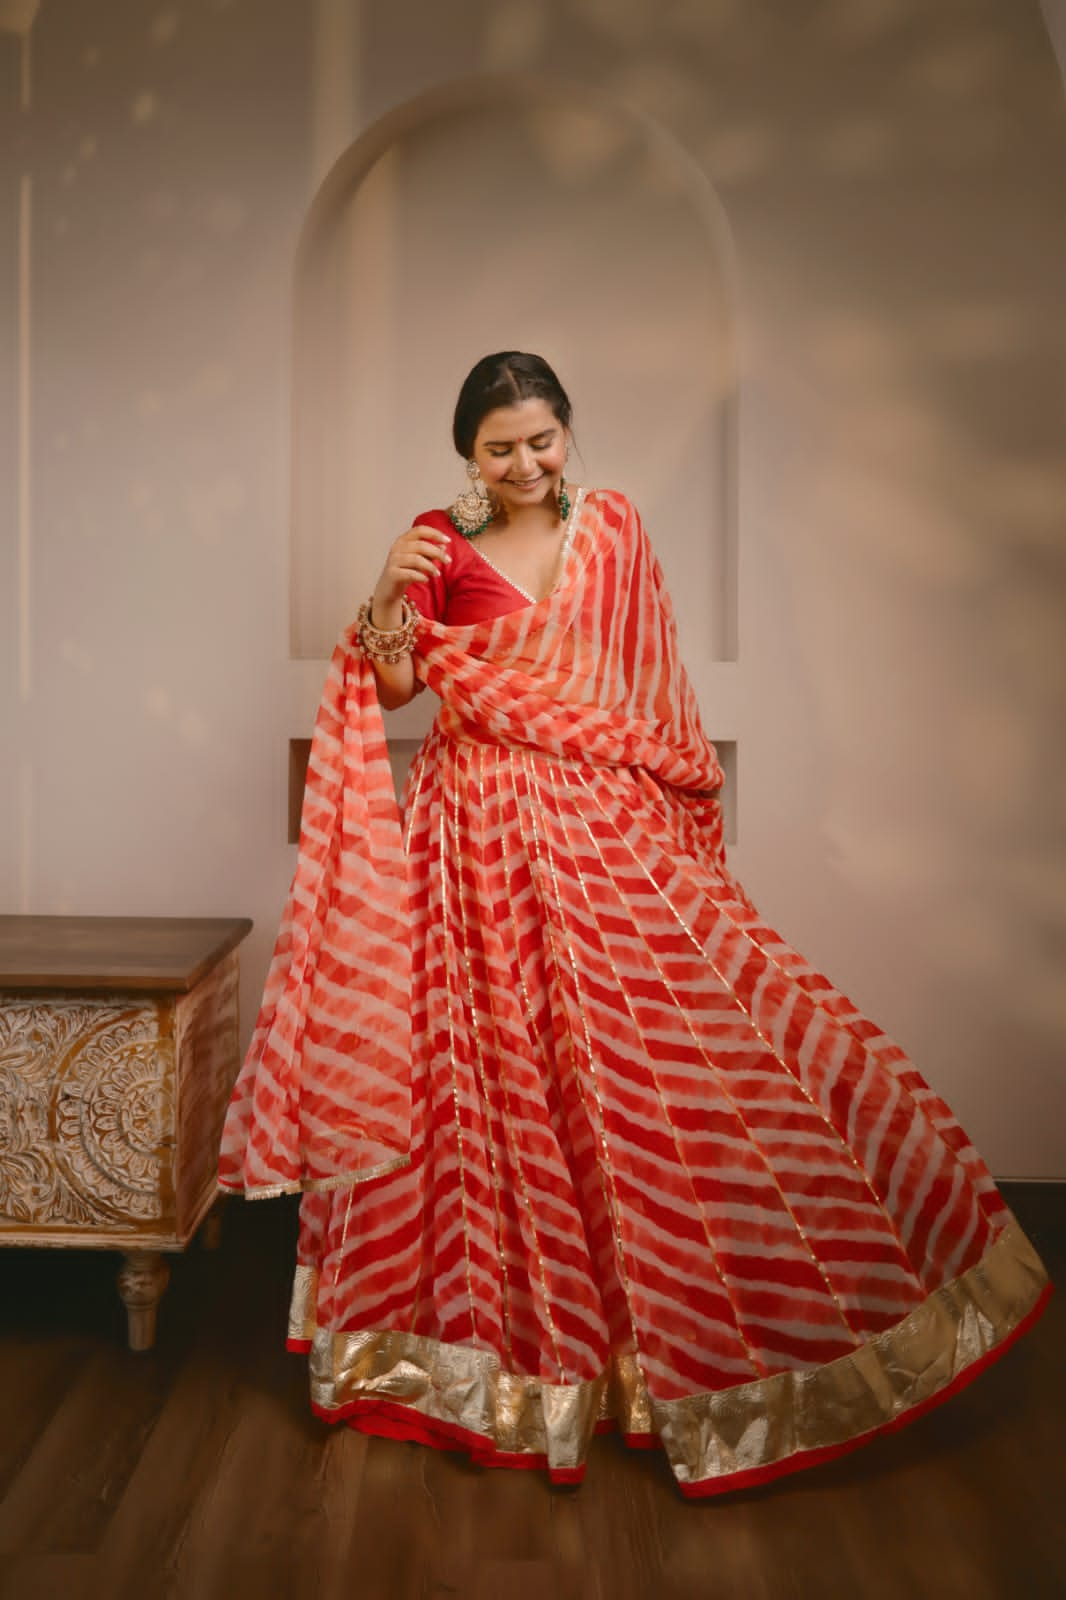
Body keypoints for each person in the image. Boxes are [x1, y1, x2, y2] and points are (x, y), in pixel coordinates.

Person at [220, 352, 1050, 1497]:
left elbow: (637, 686)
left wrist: (641, 806)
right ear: (467, 453)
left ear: (568, 432)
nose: (522, 464)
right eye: (497, 448)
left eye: (539, 439)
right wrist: (380, 594)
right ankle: (502, 1359)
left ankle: (705, 1341)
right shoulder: (437, 540)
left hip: (595, 827)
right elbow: (402, 688)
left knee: (651, 1061)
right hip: (469, 835)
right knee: (483, 1079)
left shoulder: (609, 531)